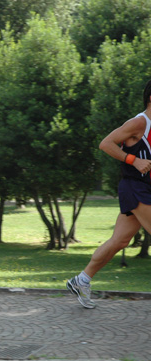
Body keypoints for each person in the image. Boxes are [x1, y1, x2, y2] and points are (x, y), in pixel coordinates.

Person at [67, 80, 151, 309]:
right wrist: (134, 160)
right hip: (135, 187)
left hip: (144, 188)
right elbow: (106, 143)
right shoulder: (139, 123)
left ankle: (81, 280)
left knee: (120, 240)